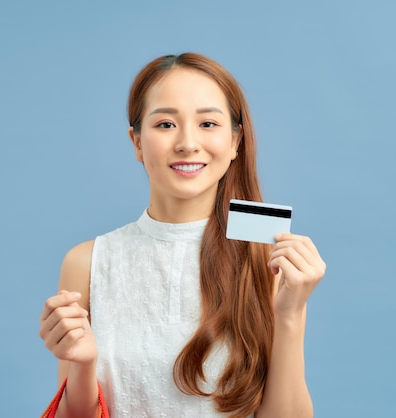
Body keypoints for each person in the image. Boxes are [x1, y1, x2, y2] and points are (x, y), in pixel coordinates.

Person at [39, 52, 326, 418]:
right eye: (165, 125)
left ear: (236, 141)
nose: (188, 143)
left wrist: (290, 313)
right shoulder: (88, 262)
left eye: (208, 124)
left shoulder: (269, 262)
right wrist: (81, 365)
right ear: (137, 142)